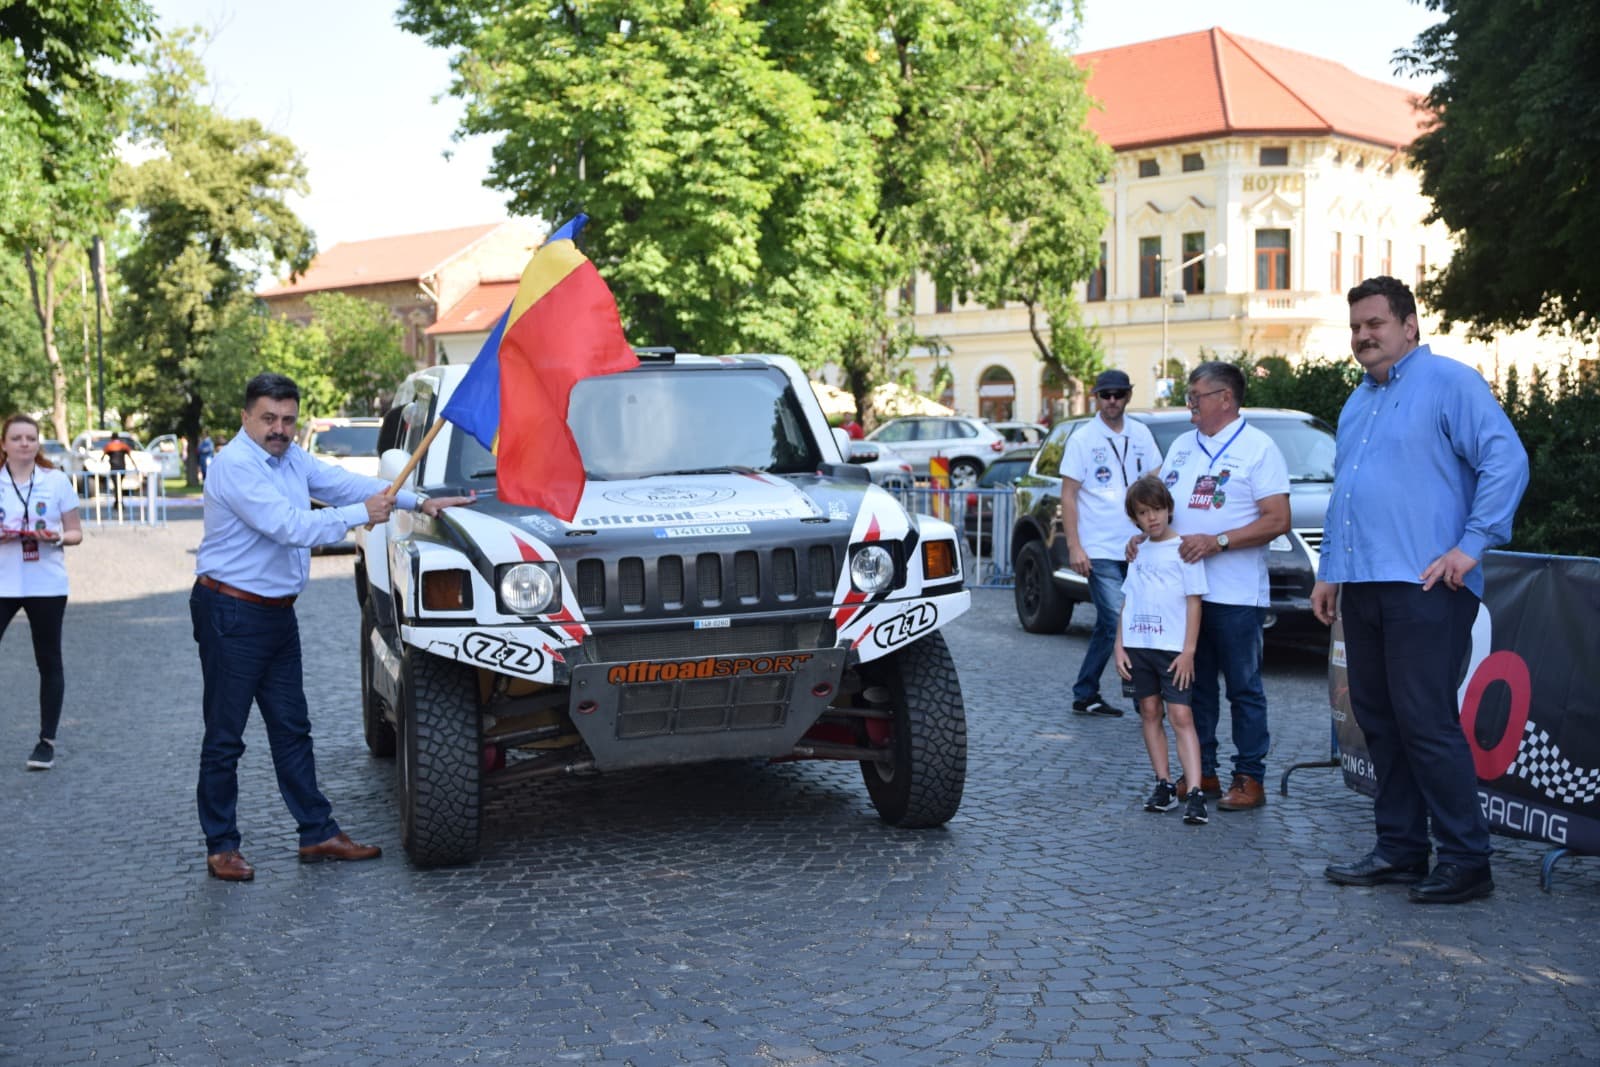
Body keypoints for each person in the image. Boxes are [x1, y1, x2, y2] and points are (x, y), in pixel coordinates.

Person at [193, 372, 475, 882]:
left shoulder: (290, 458)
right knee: (226, 737)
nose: (279, 429)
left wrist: (419, 501)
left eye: (287, 420)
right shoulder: (235, 466)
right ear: (245, 417)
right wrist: (359, 515)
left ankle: (317, 833)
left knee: (292, 729)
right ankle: (221, 845)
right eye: (268, 419)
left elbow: (341, 483)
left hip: (276, 613)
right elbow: (291, 526)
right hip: (231, 613)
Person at [1315, 276, 1528, 905]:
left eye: (1375, 324)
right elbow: (1345, 496)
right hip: (1366, 583)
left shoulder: (1452, 383)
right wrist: (1331, 570)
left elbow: (1506, 460)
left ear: (1410, 325)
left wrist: (1471, 546)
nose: (1363, 337)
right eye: (1355, 327)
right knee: (1379, 719)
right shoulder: (1357, 401)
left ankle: (1467, 860)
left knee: (1426, 720)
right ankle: (1402, 850)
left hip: (1429, 585)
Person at [1157, 361, 1290, 811]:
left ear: (1226, 398)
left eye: (1196, 394)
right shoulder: (1180, 445)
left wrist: (1219, 542)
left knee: (1243, 688)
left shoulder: (1259, 448)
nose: (1189, 402)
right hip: (1186, 594)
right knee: (1195, 688)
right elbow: (1160, 506)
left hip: (1235, 595)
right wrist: (1145, 536)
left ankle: (1250, 776)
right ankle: (1204, 772)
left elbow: (1278, 519)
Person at [1059, 368, 1162, 716]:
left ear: (1129, 395)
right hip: (1100, 548)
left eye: (1119, 394)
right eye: (1106, 395)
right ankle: (1136, 697)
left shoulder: (1142, 434)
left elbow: (1157, 483)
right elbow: (1069, 496)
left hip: (1140, 545)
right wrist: (1075, 546)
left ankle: (1090, 692)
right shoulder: (1082, 439)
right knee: (1120, 617)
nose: (1112, 401)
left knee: (1121, 622)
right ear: (1096, 397)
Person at [1115, 474, 1210, 825]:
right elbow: (1128, 600)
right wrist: (1118, 645)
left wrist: (1188, 652)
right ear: (1135, 518)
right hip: (1138, 646)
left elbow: (1194, 603)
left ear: (1169, 509)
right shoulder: (1137, 550)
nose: (1151, 518)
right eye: (1143, 513)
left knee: (1181, 716)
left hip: (1172, 649)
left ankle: (1196, 790)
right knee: (1149, 712)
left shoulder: (1185, 549)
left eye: (1157, 509)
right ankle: (1163, 783)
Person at [1, 414, 84, 770]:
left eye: (30, 438)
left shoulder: (56, 481)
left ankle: (45, 742)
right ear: (4, 444)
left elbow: (76, 532)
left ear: (37, 443)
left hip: (46, 583)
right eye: (16, 438)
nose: (24, 444)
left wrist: (56, 537)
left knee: (48, 660)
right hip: (3, 582)